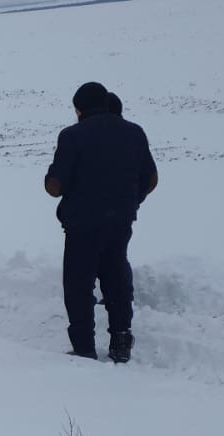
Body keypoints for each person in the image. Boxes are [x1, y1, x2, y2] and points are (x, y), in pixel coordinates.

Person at [44, 82, 159, 362]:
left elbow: (56, 185)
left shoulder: (72, 136)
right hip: (120, 220)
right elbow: (151, 179)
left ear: (80, 108)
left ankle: (84, 347)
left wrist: (52, 180)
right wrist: (132, 201)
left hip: (81, 223)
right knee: (116, 277)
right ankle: (121, 342)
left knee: (79, 285)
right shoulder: (135, 132)